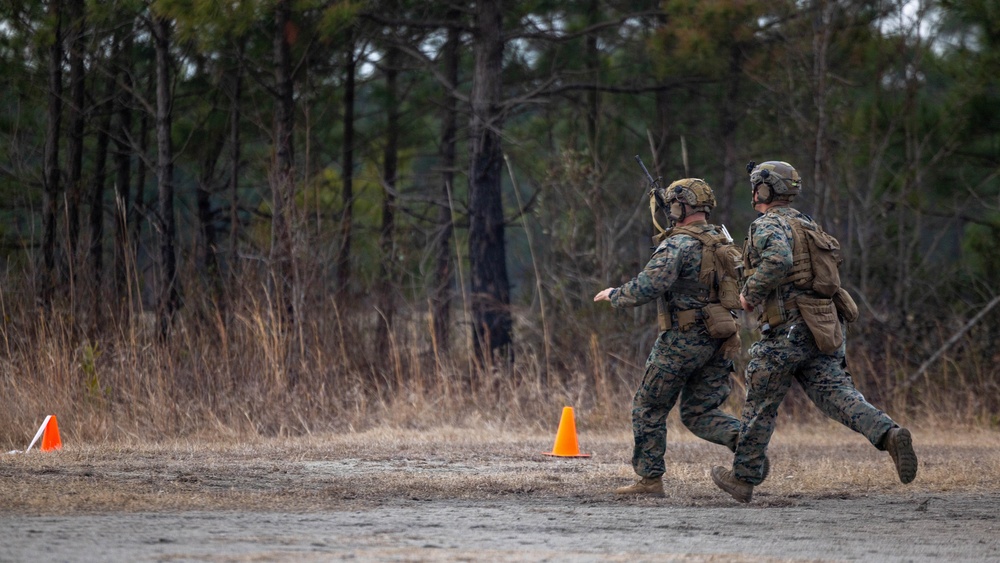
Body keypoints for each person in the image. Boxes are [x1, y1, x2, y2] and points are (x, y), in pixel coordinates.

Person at [711, 161, 918, 503]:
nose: (753, 193)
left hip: (787, 331)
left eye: (755, 187)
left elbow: (779, 261)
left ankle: (743, 478)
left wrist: (750, 293)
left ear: (764, 190)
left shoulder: (766, 225)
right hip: (822, 326)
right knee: (838, 395)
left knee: (761, 402)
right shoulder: (807, 223)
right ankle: (889, 434)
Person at [595, 178, 757, 496]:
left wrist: (616, 294)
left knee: (648, 406)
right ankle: (748, 443)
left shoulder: (678, 244)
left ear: (678, 207)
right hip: (722, 337)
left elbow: (650, 284)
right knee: (699, 412)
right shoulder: (723, 241)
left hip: (684, 338)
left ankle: (649, 480)